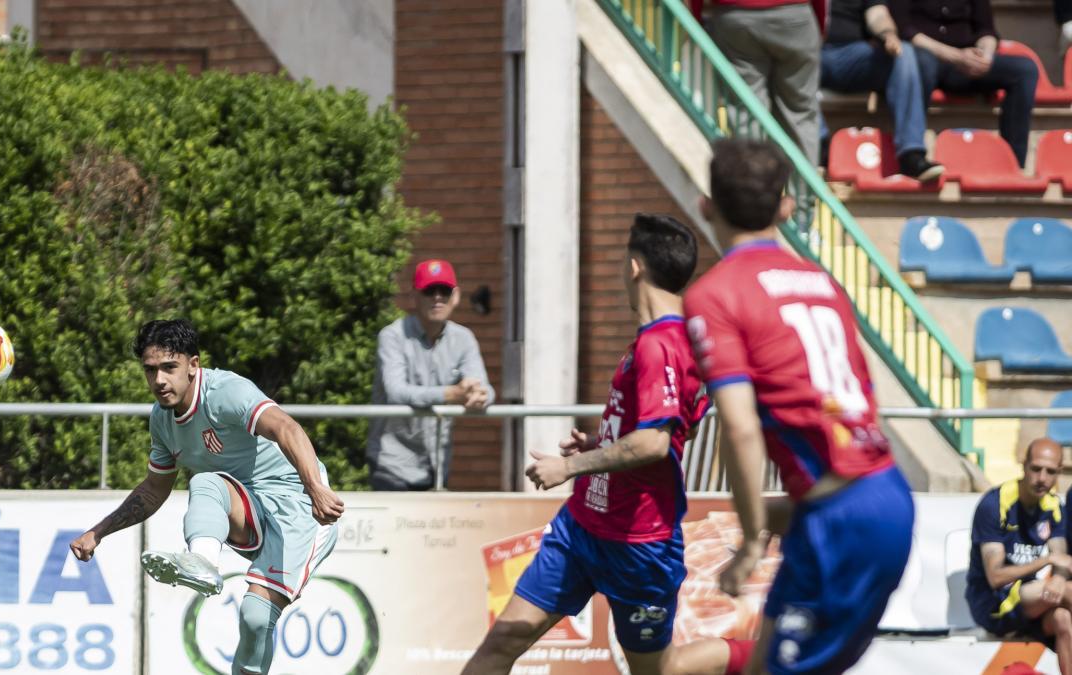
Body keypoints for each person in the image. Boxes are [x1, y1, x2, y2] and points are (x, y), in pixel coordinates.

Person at [684, 138, 915, 674]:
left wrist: (747, 542)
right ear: (786, 206)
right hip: (883, 495)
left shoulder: (715, 294)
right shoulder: (823, 283)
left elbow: (739, 429)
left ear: (706, 206)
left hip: (840, 519)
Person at [461, 213, 710, 675]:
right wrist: (602, 442)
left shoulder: (662, 344)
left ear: (634, 267)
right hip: (582, 529)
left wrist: (569, 467)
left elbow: (657, 444)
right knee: (501, 644)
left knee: (658, 670)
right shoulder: (672, 341)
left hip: (639, 545)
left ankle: (746, 656)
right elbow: (674, 429)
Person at [69, 319, 344, 675]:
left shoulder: (225, 392)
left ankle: (204, 566)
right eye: (150, 371)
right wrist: (98, 531)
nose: (159, 381)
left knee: (256, 617)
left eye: (170, 368)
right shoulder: (162, 420)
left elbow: (285, 427)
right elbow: (154, 489)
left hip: (299, 506)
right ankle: (202, 561)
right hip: (249, 508)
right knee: (206, 482)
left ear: (193, 365)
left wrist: (315, 488)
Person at [367, 258, 495, 490]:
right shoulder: (392, 336)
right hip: (392, 463)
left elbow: (485, 388)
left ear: (455, 296)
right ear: (414, 296)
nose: (437, 297)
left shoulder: (463, 338)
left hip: (437, 465)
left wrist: (480, 396)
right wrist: (451, 394)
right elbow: (397, 392)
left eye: (443, 290)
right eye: (429, 290)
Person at [889, 0, 1039, 166]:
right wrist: (957, 56)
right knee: (921, 63)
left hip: (964, 65)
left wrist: (985, 57)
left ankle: (1013, 164)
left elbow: (986, 30)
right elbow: (905, 31)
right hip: (925, 59)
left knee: (1025, 69)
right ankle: (914, 157)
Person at [968, 437, 1072, 674]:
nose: (1042, 478)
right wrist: (1047, 561)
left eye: (1050, 471)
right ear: (1023, 466)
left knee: (1063, 619)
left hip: (1032, 603)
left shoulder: (1053, 506)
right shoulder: (995, 504)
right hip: (993, 604)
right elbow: (995, 577)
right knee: (1068, 591)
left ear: (1059, 473)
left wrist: (1057, 576)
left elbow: (1061, 558)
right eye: (1036, 469)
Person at [820, 0, 944, 181]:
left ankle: (912, 154)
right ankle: (819, 148)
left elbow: (877, 13)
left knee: (904, 52)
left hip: (854, 55)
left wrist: (888, 35)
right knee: (789, 65)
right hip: (808, 52)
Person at [693, 0, 825, 165]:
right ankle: (803, 189)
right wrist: (819, 22)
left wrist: (696, 18)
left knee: (747, 112)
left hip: (736, 17)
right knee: (800, 113)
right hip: (795, 15)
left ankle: (751, 188)